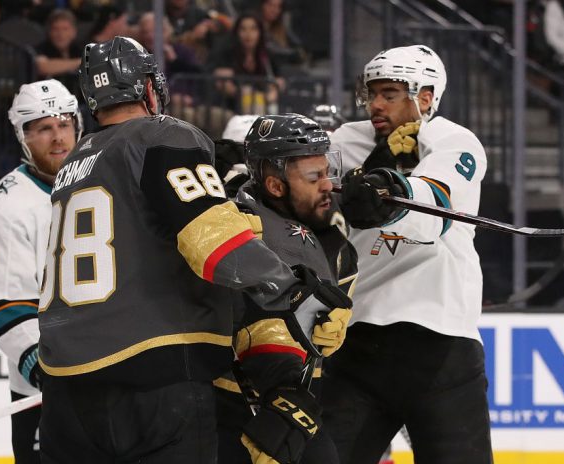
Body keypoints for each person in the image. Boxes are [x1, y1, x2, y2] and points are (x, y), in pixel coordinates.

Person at [36, 36, 347, 463]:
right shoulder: (162, 135)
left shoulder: (74, 163)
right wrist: (295, 293)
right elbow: (215, 244)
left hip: (63, 389)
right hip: (153, 379)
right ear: (149, 87)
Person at [322, 45, 492, 464]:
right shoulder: (345, 141)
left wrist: (391, 188)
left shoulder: (454, 141)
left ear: (426, 97)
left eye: (390, 94)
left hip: (440, 343)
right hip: (358, 339)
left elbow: (433, 211)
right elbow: (299, 185)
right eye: (372, 94)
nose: (376, 104)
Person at [213, 114, 357, 464]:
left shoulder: (332, 238)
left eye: (327, 172)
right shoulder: (240, 229)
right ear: (276, 186)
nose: (328, 185)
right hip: (239, 412)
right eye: (314, 177)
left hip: (298, 407)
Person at [0, 78, 82, 464]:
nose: (58, 137)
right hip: (45, 393)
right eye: (44, 128)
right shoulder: (5, 207)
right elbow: (10, 307)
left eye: (64, 124)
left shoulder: (102, 183)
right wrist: (45, 371)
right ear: (23, 137)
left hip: (108, 376)